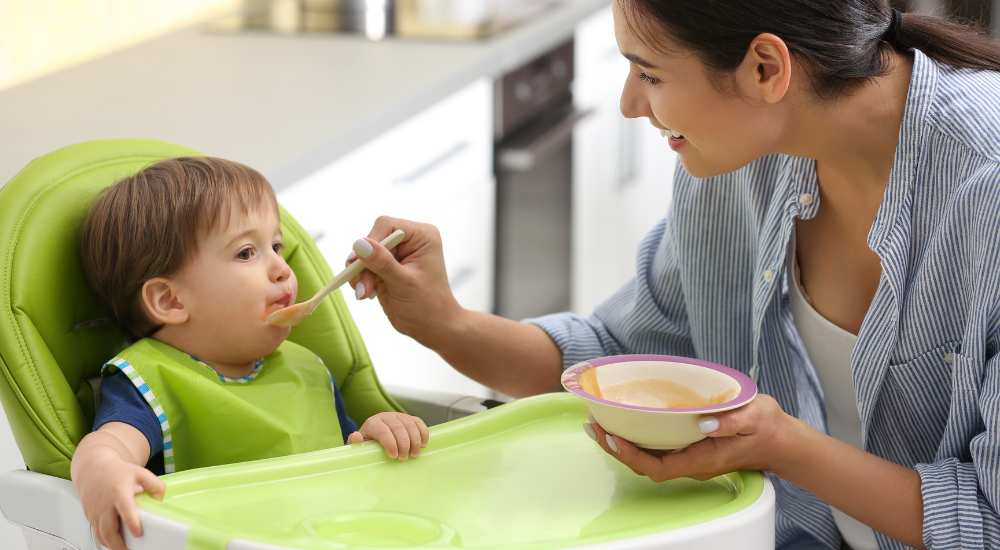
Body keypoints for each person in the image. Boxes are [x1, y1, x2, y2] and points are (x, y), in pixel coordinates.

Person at [344, 1, 1000, 548]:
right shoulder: (739, 155)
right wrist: (443, 323)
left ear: (766, 68)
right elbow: (615, 358)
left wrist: (782, 446)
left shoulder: (986, 190)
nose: (630, 104)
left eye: (649, 74)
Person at [71, 157, 429, 550]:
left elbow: (346, 460)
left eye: (276, 246)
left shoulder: (306, 368)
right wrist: (103, 472)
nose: (281, 267)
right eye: (246, 253)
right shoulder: (149, 380)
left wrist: (378, 437)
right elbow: (111, 446)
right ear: (171, 300)